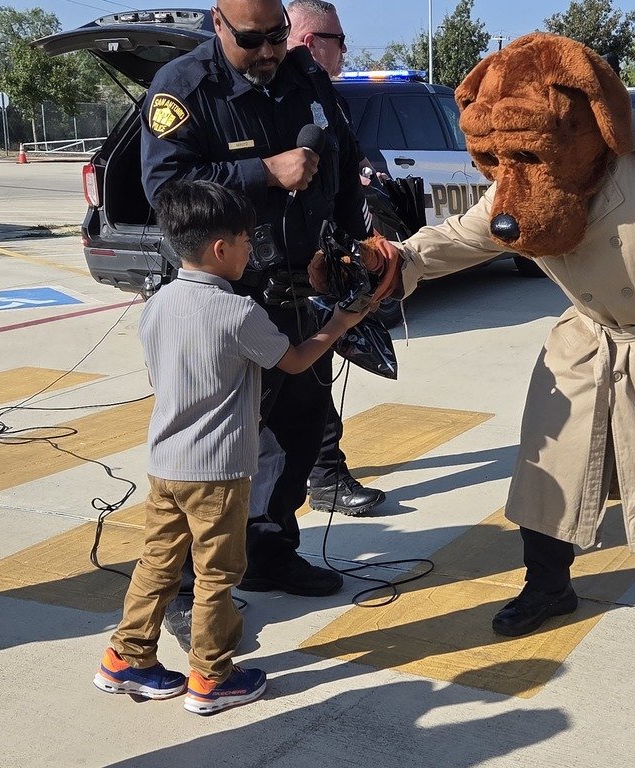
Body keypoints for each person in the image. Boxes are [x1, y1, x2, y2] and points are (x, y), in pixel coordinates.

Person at [320, 34, 635, 640]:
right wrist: (394, 259)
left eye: (527, 155)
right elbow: (468, 233)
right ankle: (547, 587)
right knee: (550, 469)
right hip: (590, 335)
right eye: (502, 159)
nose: (513, 175)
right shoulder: (519, 173)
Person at [140, 0, 382, 650]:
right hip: (221, 303)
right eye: (255, 40)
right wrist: (262, 173)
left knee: (301, 427)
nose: (270, 50)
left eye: (279, 35)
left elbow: (345, 161)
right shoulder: (184, 90)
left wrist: (356, 239)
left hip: (298, 292)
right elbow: (164, 190)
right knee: (212, 450)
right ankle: (187, 589)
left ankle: (270, 546)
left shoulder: (306, 80)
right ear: (219, 26)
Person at [93, 180, 369, 714]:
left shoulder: (158, 302)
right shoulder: (237, 312)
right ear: (221, 249)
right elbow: (292, 360)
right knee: (217, 576)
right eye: (246, 240)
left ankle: (126, 658)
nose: (252, 249)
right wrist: (339, 323)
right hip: (216, 473)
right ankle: (212, 677)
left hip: (165, 462)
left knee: (158, 564)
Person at [285, 0, 387, 517]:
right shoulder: (273, 94)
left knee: (313, 375)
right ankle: (320, 476)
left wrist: (354, 247)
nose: (344, 49)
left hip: (316, 264)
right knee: (290, 384)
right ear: (310, 41)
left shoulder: (323, 93)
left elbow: (345, 170)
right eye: (338, 39)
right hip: (263, 270)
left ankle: (322, 476)